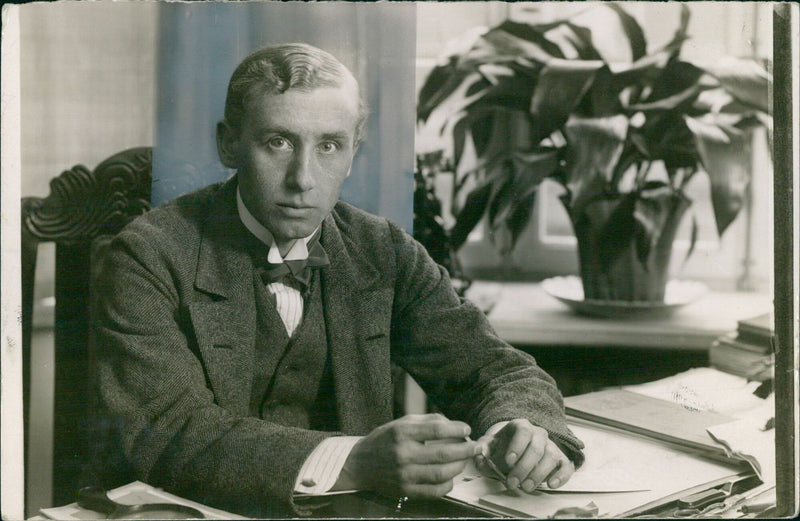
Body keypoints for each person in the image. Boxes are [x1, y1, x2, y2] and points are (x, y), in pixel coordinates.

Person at [93, 43, 584, 517]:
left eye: (329, 145)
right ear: (229, 143)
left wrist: (522, 427)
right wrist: (353, 461)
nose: (303, 178)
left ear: (352, 155)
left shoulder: (383, 250)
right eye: (278, 142)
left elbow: (497, 370)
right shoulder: (148, 254)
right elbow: (169, 432)